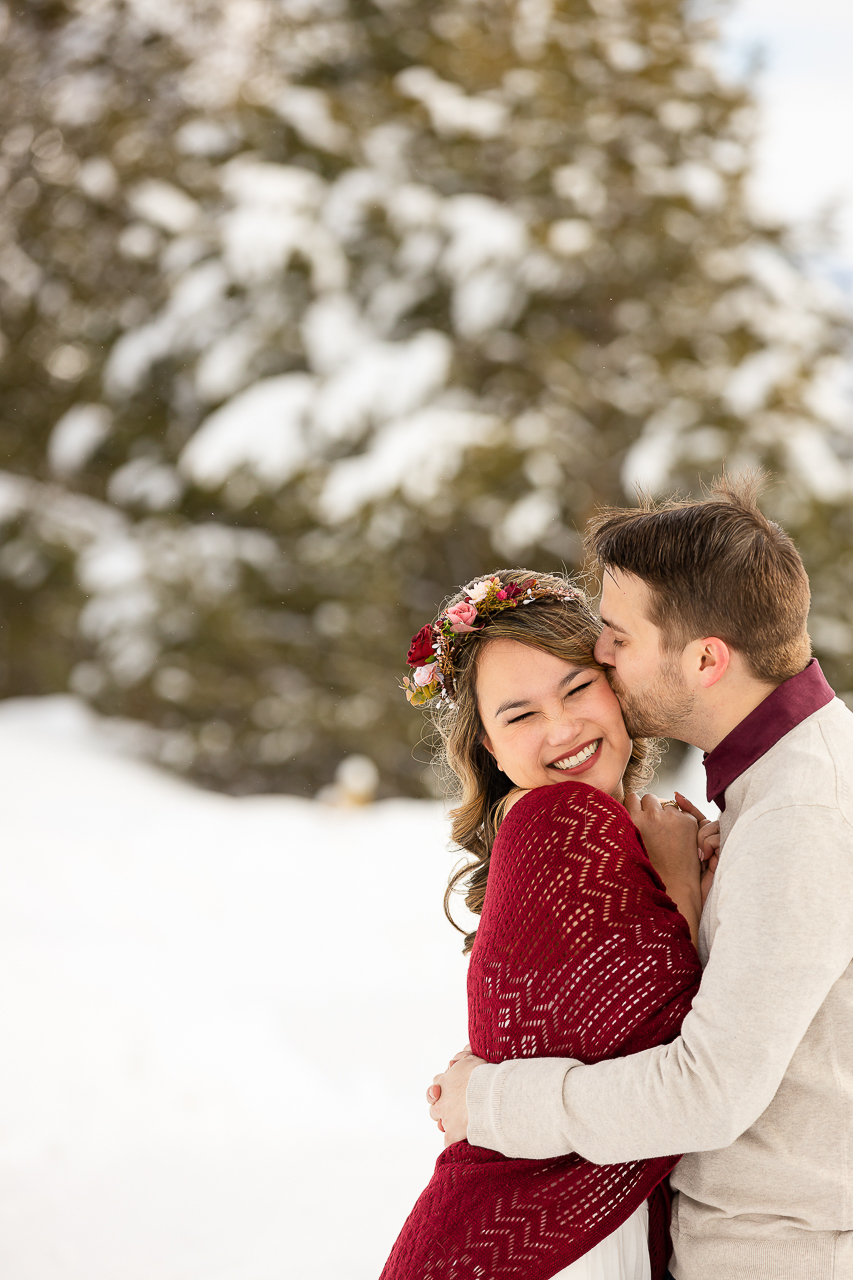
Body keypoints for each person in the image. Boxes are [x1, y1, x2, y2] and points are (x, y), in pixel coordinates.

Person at [428, 476, 853, 1280]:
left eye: (618, 638)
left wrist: (489, 1105)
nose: (600, 652)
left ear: (703, 658)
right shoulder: (778, 788)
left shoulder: (801, 811)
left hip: (774, 1254)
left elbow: (709, 1090)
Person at [381, 569, 704, 1280]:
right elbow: (674, 1042)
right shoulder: (558, 822)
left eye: (576, 688)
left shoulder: (600, 837)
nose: (561, 729)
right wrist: (682, 883)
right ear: (491, 749)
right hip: (540, 1247)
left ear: (614, 687)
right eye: (519, 715)